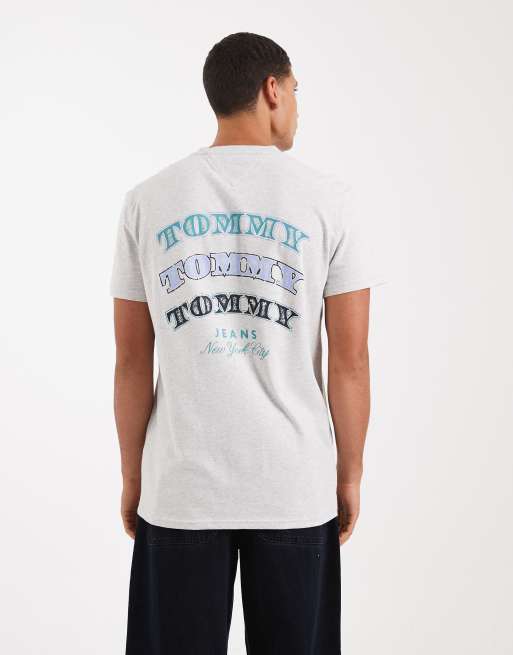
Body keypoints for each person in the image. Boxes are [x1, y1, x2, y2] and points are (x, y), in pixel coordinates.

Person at [110, 31, 382, 655]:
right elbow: (351, 361)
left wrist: (134, 475)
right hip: (293, 483)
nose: (298, 107)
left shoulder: (147, 201)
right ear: (272, 90)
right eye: (296, 91)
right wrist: (349, 474)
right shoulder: (331, 202)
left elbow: (130, 362)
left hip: (182, 485)